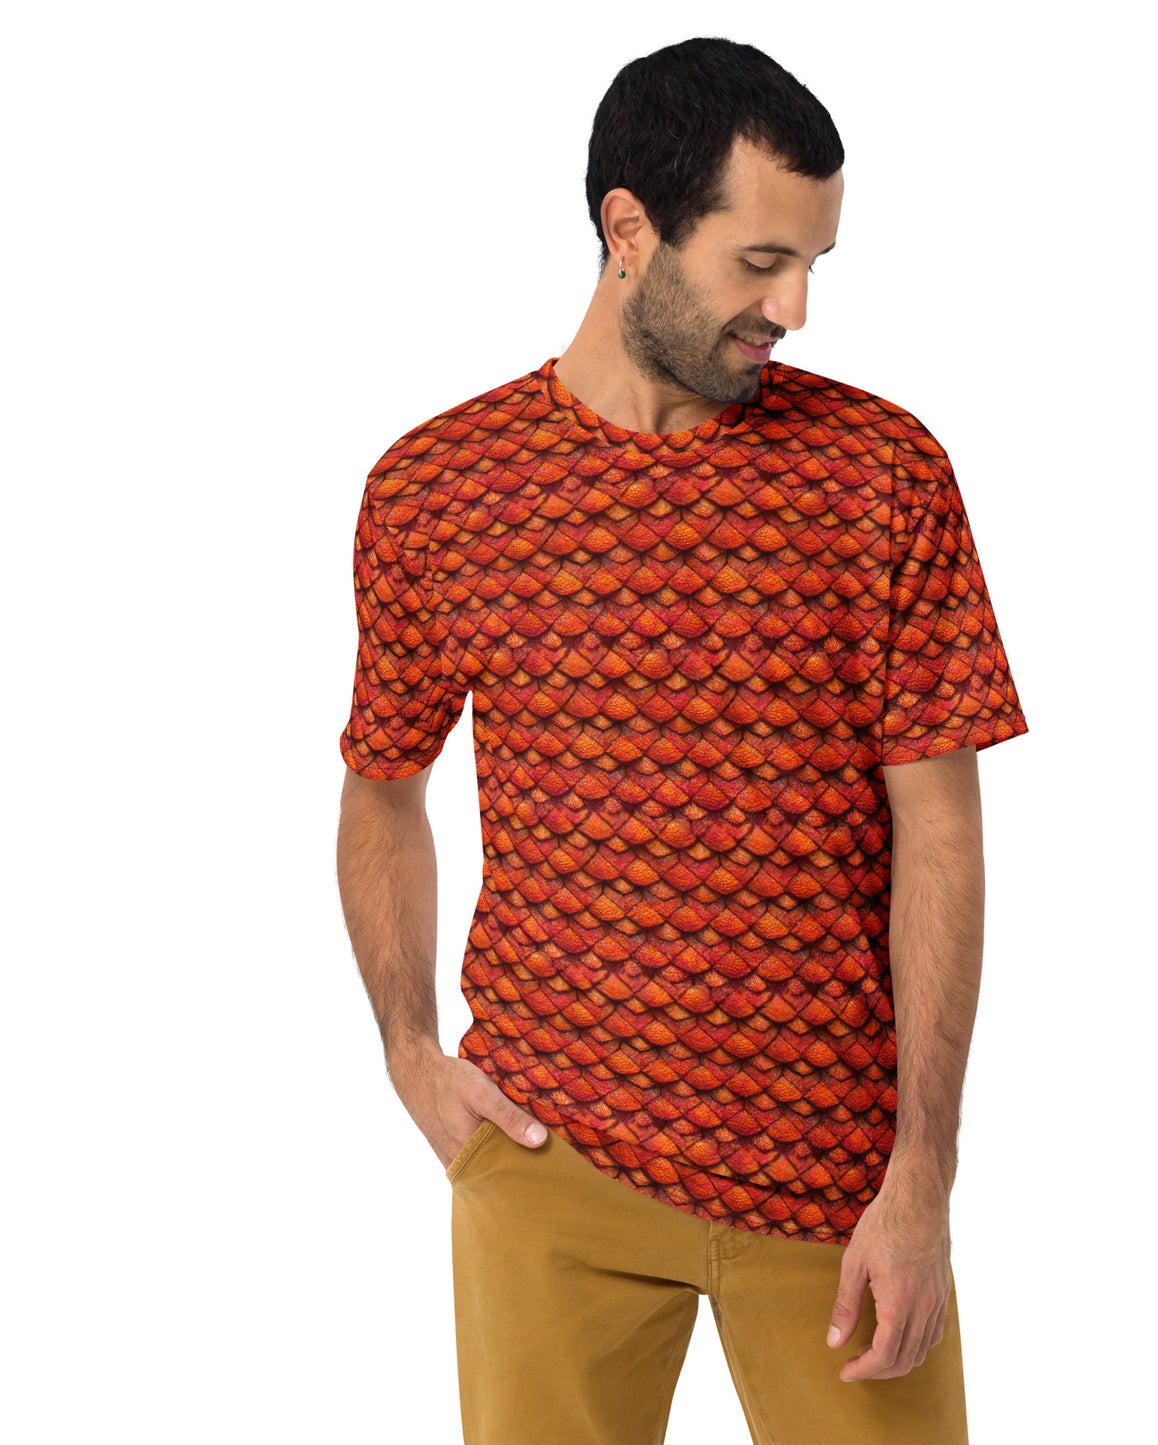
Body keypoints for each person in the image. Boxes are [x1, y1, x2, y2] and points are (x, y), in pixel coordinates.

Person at [336, 35, 1028, 1445]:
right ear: (630, 229)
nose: (796, 309)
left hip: (837, 1191)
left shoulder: (884, 474)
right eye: (761, 262)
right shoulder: (437, 489)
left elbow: (941, 832)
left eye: (815, 263)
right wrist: (409, 1049)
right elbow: (382, 784)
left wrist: (922, 1175)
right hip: (549, 1164)